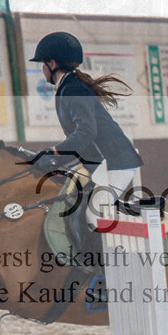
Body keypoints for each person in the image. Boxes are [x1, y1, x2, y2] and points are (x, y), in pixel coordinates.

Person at [28, 31, 143, 228]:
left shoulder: (72, 89)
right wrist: (56, 160)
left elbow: (86, 132)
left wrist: (54, 152)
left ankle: (118, 247)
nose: (42, 69)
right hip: (100, 162)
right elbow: (82, 139)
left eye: (42, 64)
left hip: (116, 163)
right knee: (68, 199)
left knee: (93, 216)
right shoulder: (67, 87)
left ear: (52, 64)